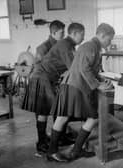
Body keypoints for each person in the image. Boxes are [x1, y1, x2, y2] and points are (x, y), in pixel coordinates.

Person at [46, 23, 115, 162]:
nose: (110, 42)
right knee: (92, 117)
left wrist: (101, 80)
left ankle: (57, 151)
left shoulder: (93, 47)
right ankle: (73, 151)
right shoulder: (90, 46)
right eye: (109, 39)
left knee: (63, 118)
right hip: (75, 86)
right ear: (102, 35)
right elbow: (84, 69)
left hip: (72, 85)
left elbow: (91, 69)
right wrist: (98, 86)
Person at [22, 23, 85, 156]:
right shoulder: (64, 45)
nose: (83, 38)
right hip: (42, 77)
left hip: (48, 78)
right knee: (43, 112)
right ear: (74, 34)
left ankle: (51, 141)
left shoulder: (68, 45)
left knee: (46, 112)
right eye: (82, 34)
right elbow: (74, 68)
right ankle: (41, 144)